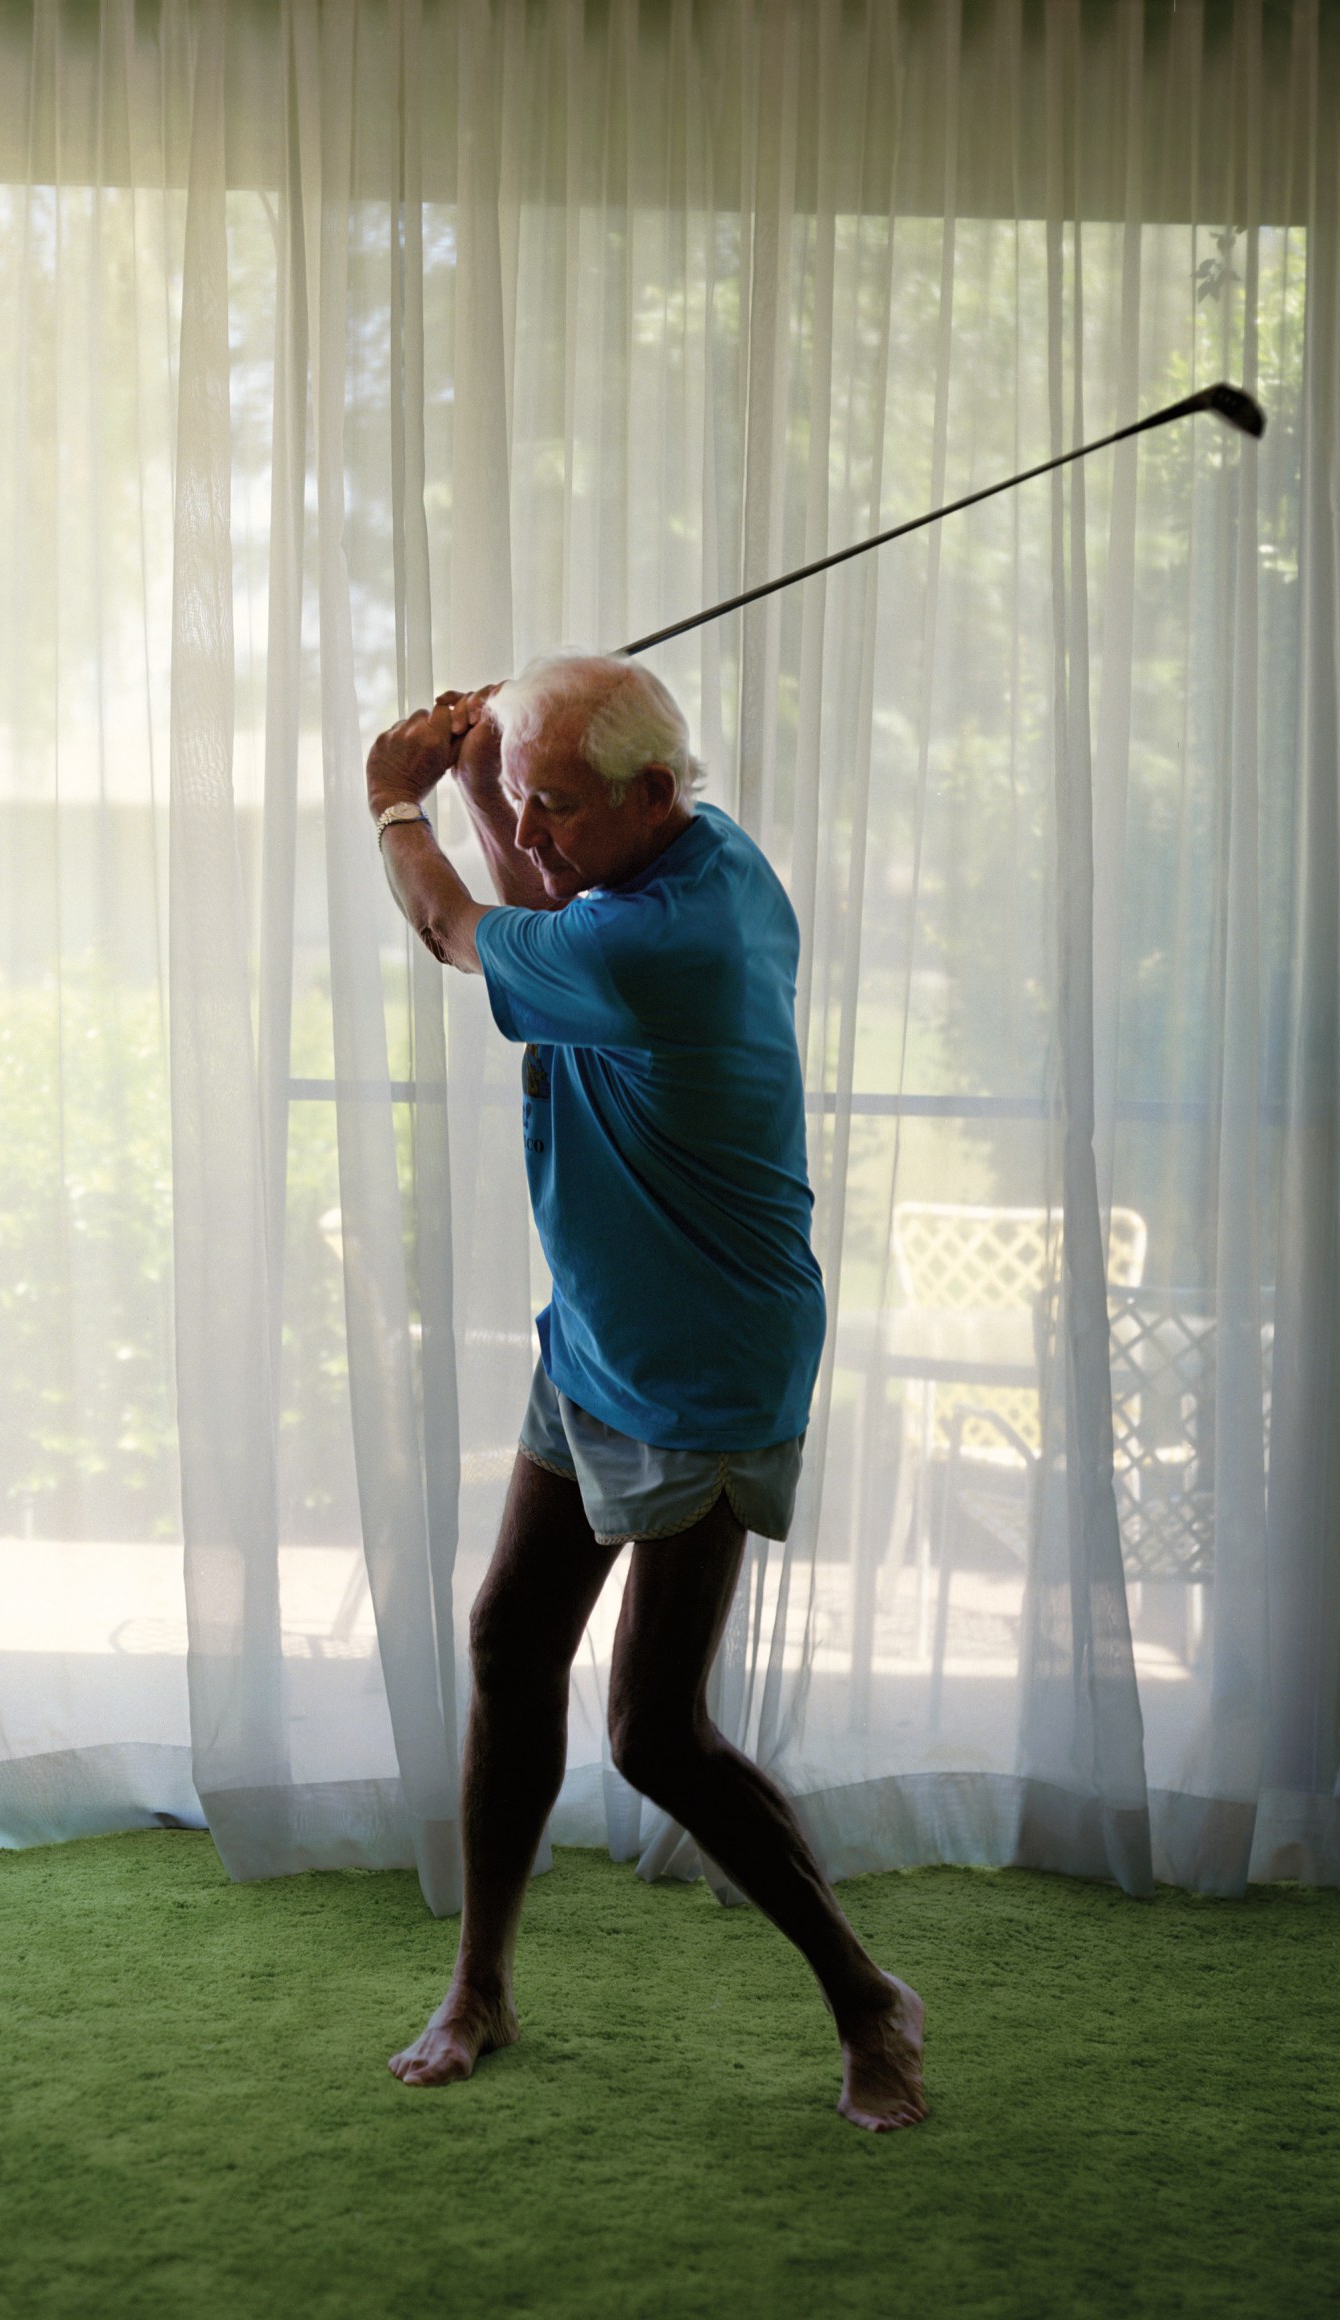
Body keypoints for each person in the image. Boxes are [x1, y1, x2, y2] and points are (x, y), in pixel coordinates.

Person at [365, 652, 927, 2132]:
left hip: (704, 1368)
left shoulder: (665, 944)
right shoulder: (693, 850)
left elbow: (459, 931)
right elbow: (546, 902)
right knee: (510, 1641)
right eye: (525, 803)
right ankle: (480, 1985)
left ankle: (868, 2000)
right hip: (598, 1336)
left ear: (654, 794)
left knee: (653, 1732)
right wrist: (486, 776)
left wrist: (395, 804)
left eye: (555, 806)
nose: (532, 834)